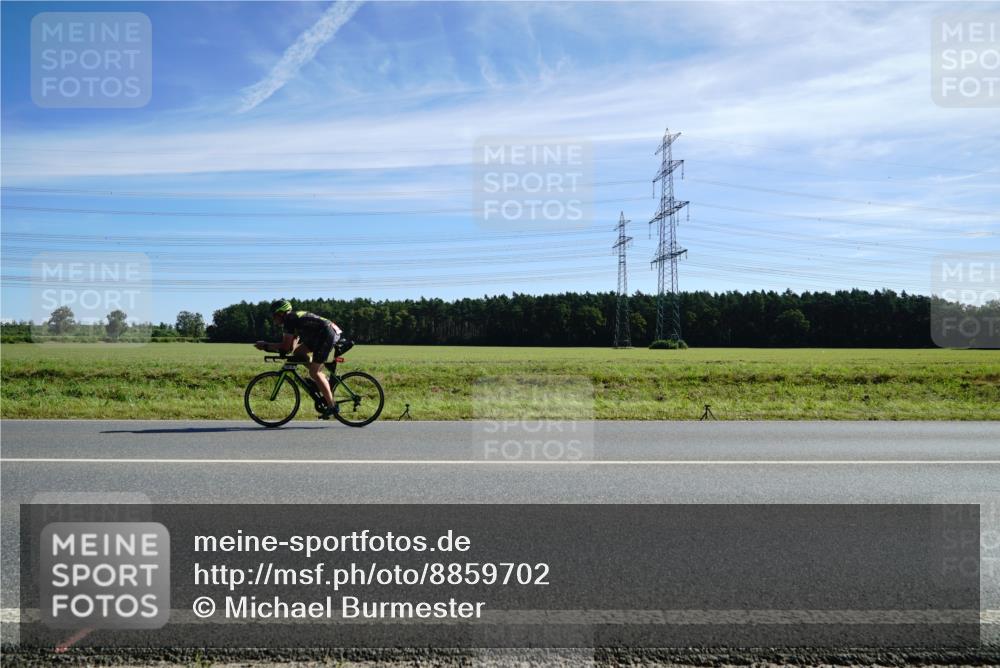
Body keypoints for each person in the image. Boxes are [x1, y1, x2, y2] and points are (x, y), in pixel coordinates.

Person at [255, 300, 343, 417]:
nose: (273, 319)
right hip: (321, 333)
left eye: (274, 315)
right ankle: (322, 380)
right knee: (299, 352)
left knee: (314, 372)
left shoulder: (289, 320)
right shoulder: (292, 319)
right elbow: (291, 348)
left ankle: (332, 406)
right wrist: (280, 349)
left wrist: (266, 345)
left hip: (326, 333)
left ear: (281, 313)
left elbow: (285, 346)